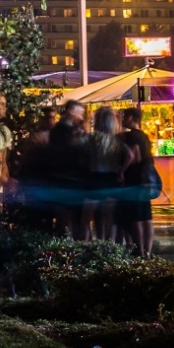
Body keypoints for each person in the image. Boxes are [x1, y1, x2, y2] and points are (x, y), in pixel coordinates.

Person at [82, 106, 126, 242]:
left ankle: (86, 245)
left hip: (94, 178)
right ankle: (109, 247)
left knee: (85, 219)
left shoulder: (92, 138)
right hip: (112, 179)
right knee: (109, 219)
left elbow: (83, 156)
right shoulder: (118, 140)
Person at [48, 100, 87, 238]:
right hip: (67, 178)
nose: (82, 117)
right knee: (68, 215)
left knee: (68, 214)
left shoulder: (62, 129)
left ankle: (66, 243)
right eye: (80, 113)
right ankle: (67, 246)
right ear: (71, 112)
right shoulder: (64, 130)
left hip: (65, 177)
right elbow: (70, 152)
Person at [120, 107, 156, 257]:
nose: (122, 119)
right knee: (147, 217)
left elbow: (133, 155)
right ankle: (148, 250)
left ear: (130, 118)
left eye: (124, 116)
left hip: (135, 177)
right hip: (146, 179)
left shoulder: (132, 136)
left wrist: (121, 171)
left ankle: (140, 250)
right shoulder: (144, 135)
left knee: (136, 217)